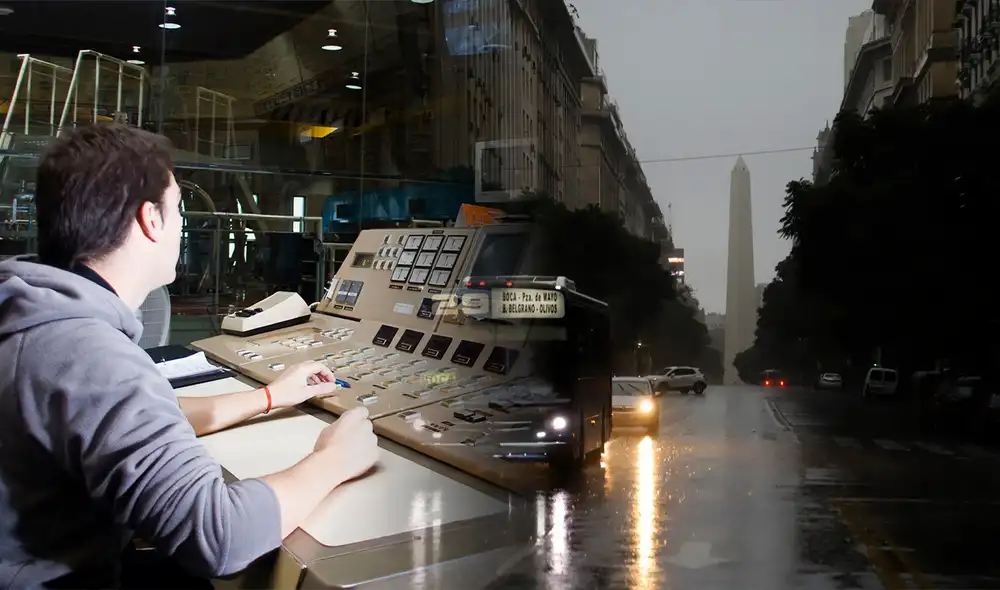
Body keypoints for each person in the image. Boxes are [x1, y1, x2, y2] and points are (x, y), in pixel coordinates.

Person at [0, 123, 380, 588]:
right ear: (150, 220)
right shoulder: (89, 354)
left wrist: (269, 397)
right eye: (178, 207)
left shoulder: (32, 312)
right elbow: (219, 537)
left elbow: (125, 417)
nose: (182, 224)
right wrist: (335, 458)